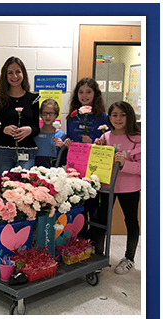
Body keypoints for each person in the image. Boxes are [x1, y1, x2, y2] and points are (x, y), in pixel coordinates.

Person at [94, 101, 141, 274]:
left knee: (130, 221)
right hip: (106, 187)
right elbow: (98, 162)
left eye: (123, 114)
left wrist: (124, 163)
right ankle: (98, 255)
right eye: (114, 115)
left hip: (129, 188)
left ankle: (129, 258)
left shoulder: (137, 138)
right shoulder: (105, 137)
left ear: (129, 117)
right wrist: (96, 150)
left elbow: (142, 166)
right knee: (101, 220)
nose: (118, 118)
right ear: (109, 117)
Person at [61, 77, 109, 237]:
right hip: (76, 167)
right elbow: (70, 137)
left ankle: (93, 239)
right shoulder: (72, 117)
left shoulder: (103, 117)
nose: (84, 95)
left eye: (88, 91)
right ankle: (78, 240)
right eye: (81, 92)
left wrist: (93, 142)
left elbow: (107, 143)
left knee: (94, 205)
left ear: (95, 94)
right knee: (77, 204)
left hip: (95, 168)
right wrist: (67, 142)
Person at [0, 56, 40, 176]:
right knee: (5, 187)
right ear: (5, 75)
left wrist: (29, 130)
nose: (14, 76)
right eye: (10, 73)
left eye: (18, 72)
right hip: (3, 151)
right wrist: (4, 130)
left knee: (25, 187)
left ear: (23, 73)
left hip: (27, 150)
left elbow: (37, 128)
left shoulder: (33, 99)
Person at [34, 99, 66, 168]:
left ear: (56, 115)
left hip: (54, 171)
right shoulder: (35, 134)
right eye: (45, 113)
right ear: (41, 115)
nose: (48, 116)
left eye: (51, 113)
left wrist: (62, 147)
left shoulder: (61, 135)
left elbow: (64, 161)